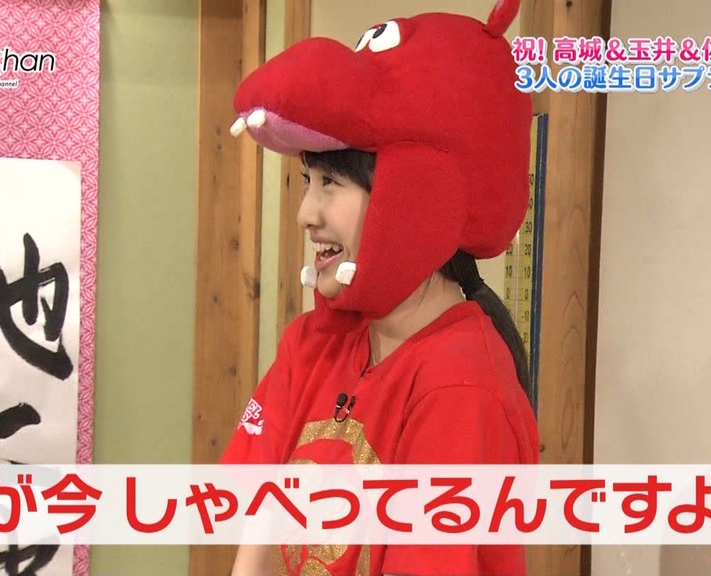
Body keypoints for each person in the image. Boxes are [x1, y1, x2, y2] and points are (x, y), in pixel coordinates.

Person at [222, 1, 539, 574]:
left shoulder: (462, 384)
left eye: (332, 183)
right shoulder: (313, 341)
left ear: (411, 197)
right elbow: (260, 526)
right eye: (308, 180)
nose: (306, 213)